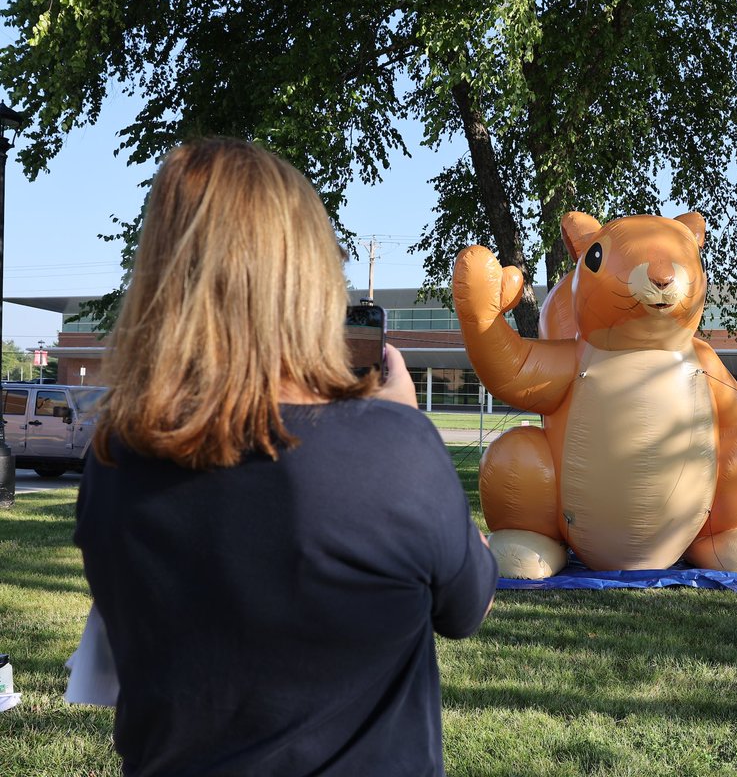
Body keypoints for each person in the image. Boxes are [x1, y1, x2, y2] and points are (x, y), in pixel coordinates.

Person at [74, 138, 498, 776]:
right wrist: (406, 423)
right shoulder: (393, 448)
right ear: (310, 279)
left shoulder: (114, 460)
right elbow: (468, 607)